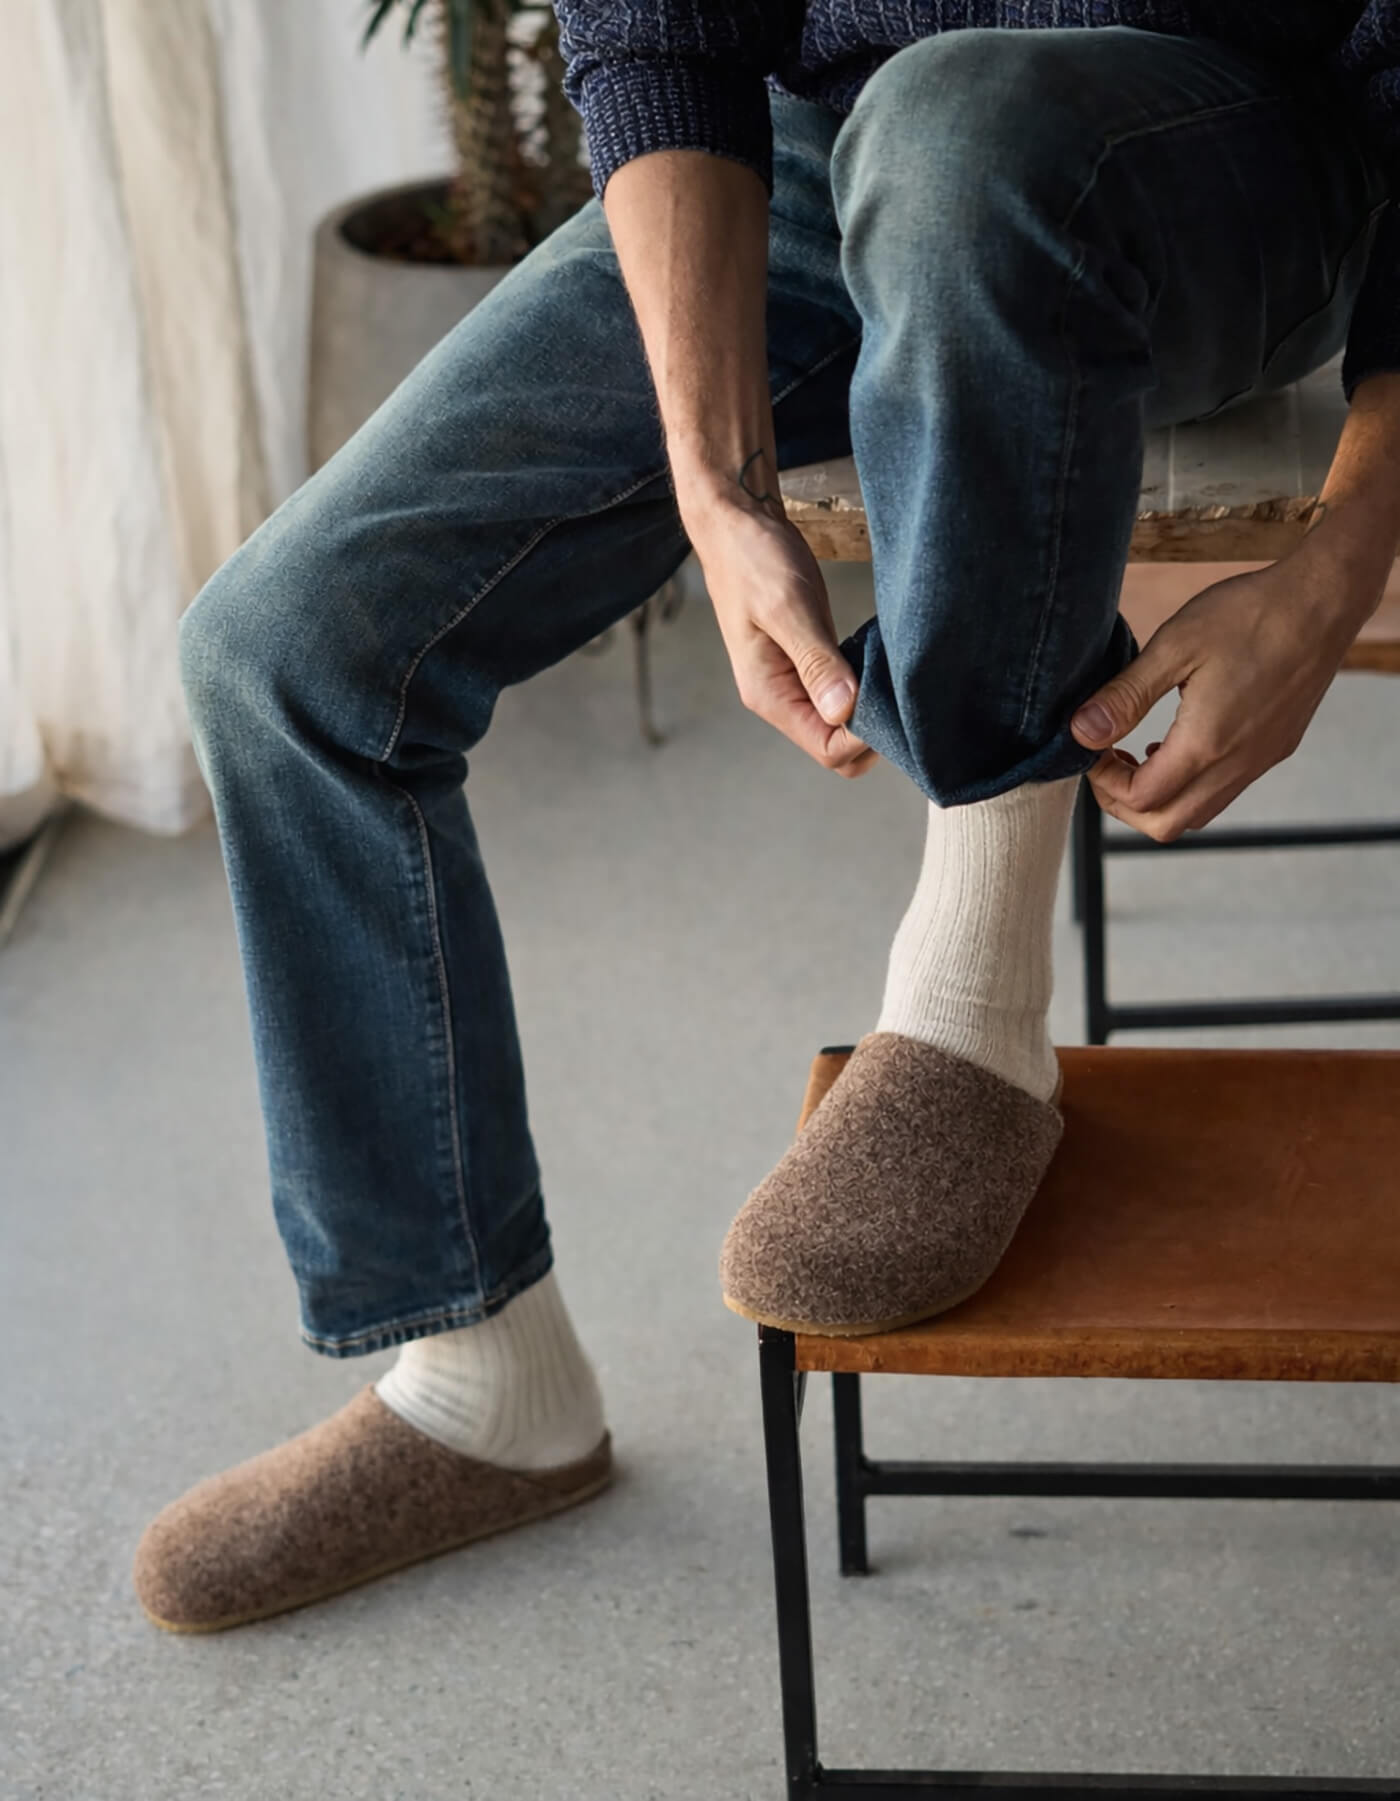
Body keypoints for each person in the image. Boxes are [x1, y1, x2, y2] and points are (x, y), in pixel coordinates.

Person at [133, 3, 1400, 1633]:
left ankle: (969, 1015)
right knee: (284, 647)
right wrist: (713, 489)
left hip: (1239, 152)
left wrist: (1340, 561)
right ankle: (483, 1379)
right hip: (823, 155)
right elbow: (659, 30)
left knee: (961, 132)